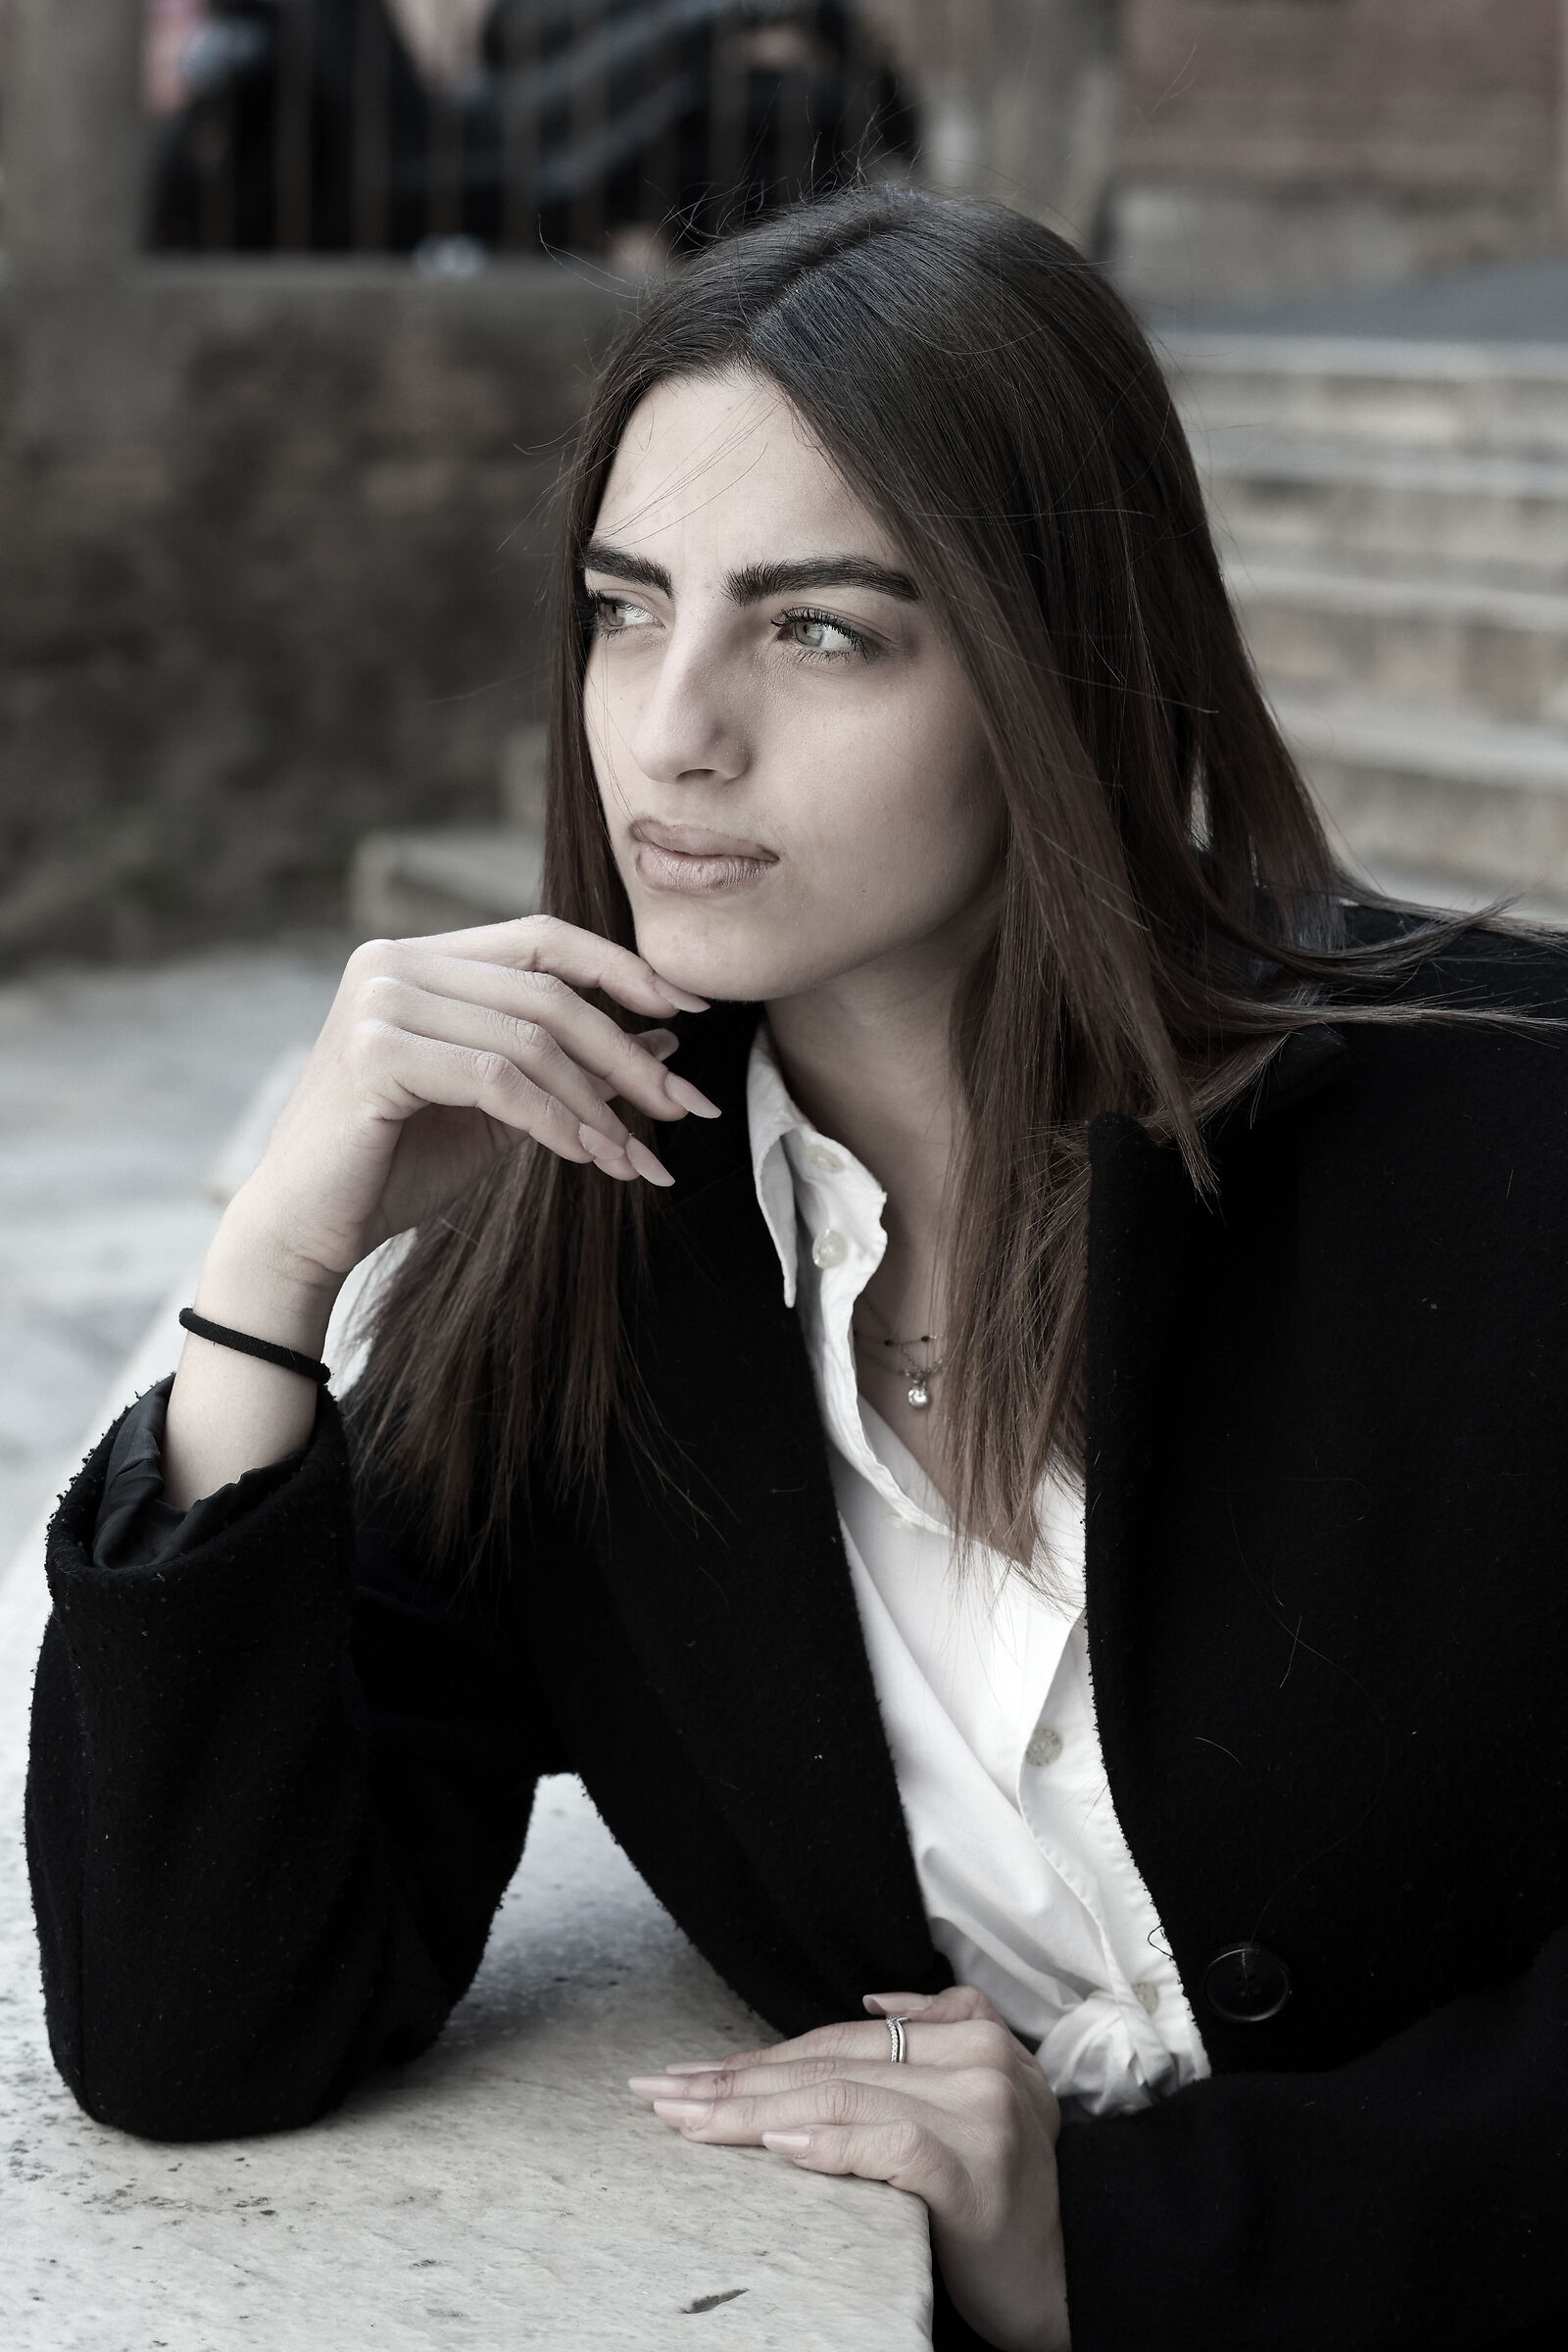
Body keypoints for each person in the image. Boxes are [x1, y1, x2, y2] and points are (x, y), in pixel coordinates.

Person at [25, 187, 1568, 2352]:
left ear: (1057, 666)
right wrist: (274, 1260)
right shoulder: (583, 1302)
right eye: (621, 609)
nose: (670, 734)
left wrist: (1113, 2242)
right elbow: (196, 2018)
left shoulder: (1494, 1136)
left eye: (818, 629)